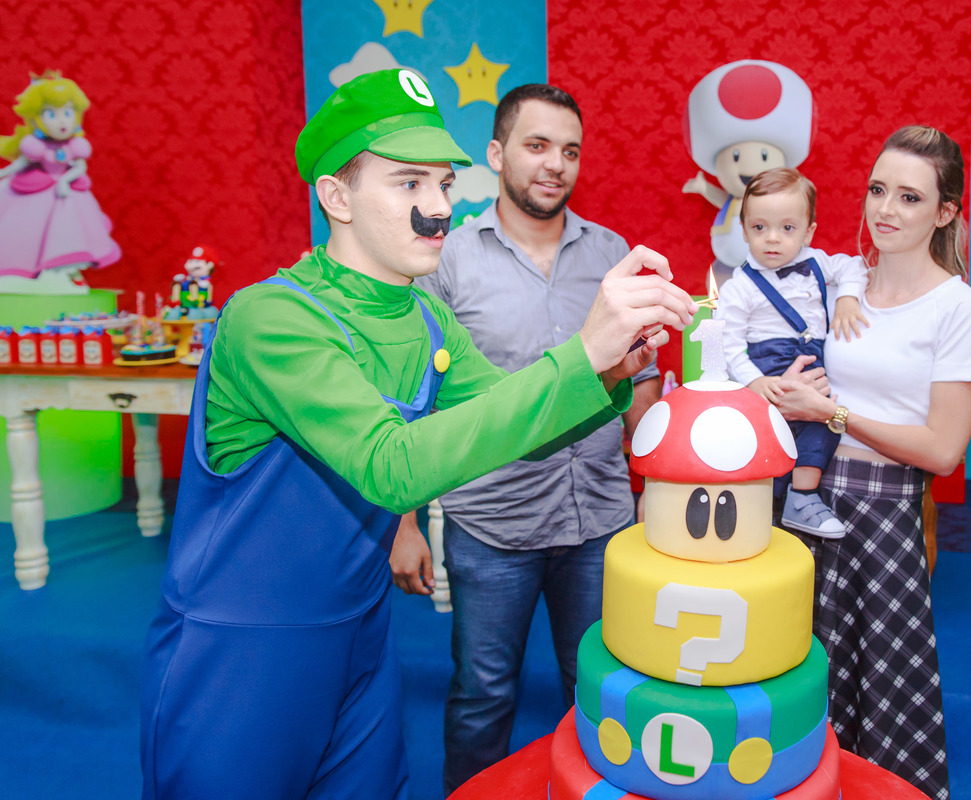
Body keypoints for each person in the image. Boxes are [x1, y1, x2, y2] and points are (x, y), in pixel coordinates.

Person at [137, 68, 696, 800]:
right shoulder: (270, 318)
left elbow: (521, 423)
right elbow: (391, 466)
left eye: (443, 184)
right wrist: (581, 352)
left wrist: (611, 370)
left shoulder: (425, 318)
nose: (438, 208)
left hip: (362, 636)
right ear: (336, 197)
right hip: (242, 646)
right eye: (409, 184)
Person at [414, 83, 662, 795]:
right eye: (538, 145)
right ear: (497, 154)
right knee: (482, 694)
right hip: (492, 524)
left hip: (599, 522)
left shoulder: (611, 253)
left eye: (570, 151)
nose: (556, 164)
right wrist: (403, 522)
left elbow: (641, 378)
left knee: (601, 691)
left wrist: (656, 480)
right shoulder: (449, 259)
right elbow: (413, 397)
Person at [774, 125, 971, 800]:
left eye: (909, 197)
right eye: (877, 190)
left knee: (886, 695)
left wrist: (831, 414)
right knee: (798, 683)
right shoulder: (841, 281)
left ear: (945, 212)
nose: (886, 209)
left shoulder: (958, 307)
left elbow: (944, 450)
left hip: (886, 522)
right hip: (804, 504)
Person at [714, 166, 867, 538]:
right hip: (767, 366)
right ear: (744, 229)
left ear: (808, 231)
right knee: (768, 436)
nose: (772, 238)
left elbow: (854, 265)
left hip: (814, 362)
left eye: (787, 228)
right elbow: (726, 343)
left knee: (825, 424)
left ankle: (803, 497)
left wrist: (847, 297)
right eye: (759, 227)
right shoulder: (739, 286)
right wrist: (754, 382)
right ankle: (764, 504)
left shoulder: (817, 262)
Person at [0, 70, 121, 288]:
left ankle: (66, 272)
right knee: (28, 231)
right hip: (37, 192)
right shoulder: (35, 146)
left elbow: (80, 166)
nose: (62, 121)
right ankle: (35, 273)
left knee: (70, 231)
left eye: (67, 112)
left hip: (67, 195)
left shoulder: (75, 146)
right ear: (36, 118)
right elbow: (20, 164)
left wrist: (66, 180)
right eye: (51, 114)